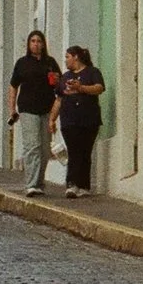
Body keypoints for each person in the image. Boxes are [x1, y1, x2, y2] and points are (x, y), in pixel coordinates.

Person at [6, 31, 60, 197]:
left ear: (43, 44)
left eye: (39, 41)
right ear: (29, 45)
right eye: (33, 41)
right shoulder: (22, 63)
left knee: (44, 149)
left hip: (46, 109)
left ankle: (39, 182)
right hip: (27, 108)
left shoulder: (50, 63)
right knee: (32, 146)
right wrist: (12, 109)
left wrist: (56, 80)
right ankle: (31, 184)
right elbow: (13, 86)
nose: (36, 44)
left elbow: (58, 85)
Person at [57, 45, 104, 198]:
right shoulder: (65, 77)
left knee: (85, 151)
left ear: (76, 57)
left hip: (88, 118)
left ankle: (84, 185)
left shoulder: (92, 72)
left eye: (67, 57)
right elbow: (59, 98)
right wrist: (52, 119)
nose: (66, 60)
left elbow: (99, 88)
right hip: (69, 119)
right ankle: (72, 183)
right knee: (73, 149)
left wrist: (81, 88)